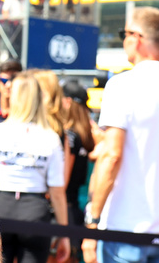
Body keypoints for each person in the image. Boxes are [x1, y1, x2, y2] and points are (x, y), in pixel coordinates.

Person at [83, 7, 159, 263]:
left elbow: (111, 156)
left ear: (136, 37)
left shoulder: (122, 85)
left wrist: (93, 221)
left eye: (123, 34)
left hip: (125, 228)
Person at [0, 73, 70, 263]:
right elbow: (57, 191)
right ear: (38, 99)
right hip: (35, 213)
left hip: (1, 209)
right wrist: (64, 233)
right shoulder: (50, 137)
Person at [59, 79, 95, 234]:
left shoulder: (70, 136)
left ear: (67, 102)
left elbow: (63, 179)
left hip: (67, 207)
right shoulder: (88, 134)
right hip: (81, 205)